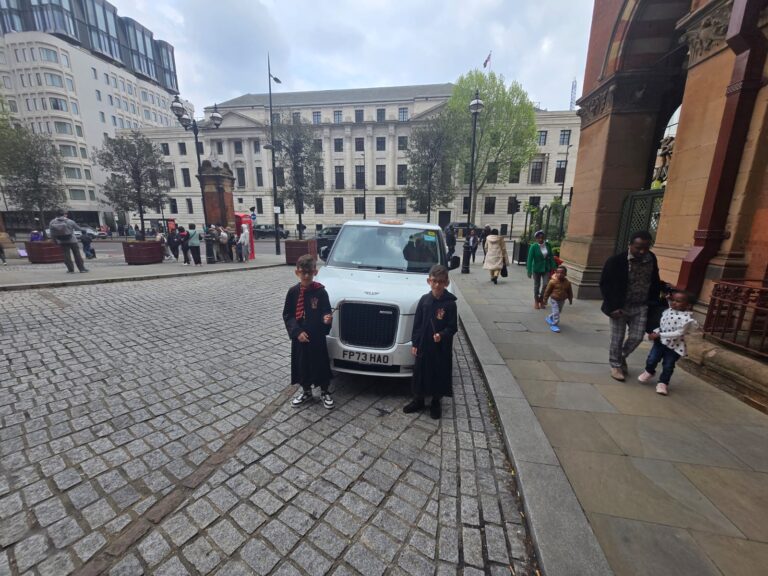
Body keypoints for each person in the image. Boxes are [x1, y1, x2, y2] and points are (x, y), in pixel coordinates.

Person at [599, 230, 662, 381]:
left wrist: (661, 291)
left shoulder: (651, 258)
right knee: (617, 338)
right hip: (620, 306)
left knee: (637, 337)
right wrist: (612, 307)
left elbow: (654, 280)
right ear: (630, 245)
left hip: (641, 305)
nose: (642, 251)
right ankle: (615, 366)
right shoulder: (616, 261)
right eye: (638, 247)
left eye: (646, 248)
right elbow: (605, 285)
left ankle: (620, 358)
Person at [403, 264, 458, 419]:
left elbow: (452, 327)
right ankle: (419, 399)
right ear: (429, 281)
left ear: (446, 283)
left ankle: (435, 401)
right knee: (420, 372)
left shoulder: (450, 304)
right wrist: (415, 343)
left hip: (440, 347)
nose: (437, 285)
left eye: (441, 282)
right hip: (424, 345)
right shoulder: (424, 301)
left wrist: (442, 334)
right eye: (434, 281)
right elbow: (417, 324)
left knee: (438, 373)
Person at [283, 254, 334, 409]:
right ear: (297, 272)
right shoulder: (293, 292)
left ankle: (325, 391)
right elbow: (288, 314)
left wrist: (326, 319)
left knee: (320, 363)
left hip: (316, 335)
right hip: (300, 337)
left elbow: (326, 311)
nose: (306, 276)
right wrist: (297, 331)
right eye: (302, 272)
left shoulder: (320, 292)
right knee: (302, 364)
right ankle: (306, 391)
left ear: (315, 272)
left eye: (309, 273)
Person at [638, 291, 699, 396]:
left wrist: (659, 335)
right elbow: (664, 322)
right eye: (673, 300)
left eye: (678, 301)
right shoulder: (668, 311)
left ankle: (663, 383)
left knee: (668, 365)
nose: (674, 303)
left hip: (674, 346)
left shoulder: (687, 319)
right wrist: (656, 332)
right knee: (652, 359)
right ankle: (649, 371)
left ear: (688, 305)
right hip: (660, 342)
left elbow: (678, 333)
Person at [48, 209, 88, 273]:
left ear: (56, 214)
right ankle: (82, 269)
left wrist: (55, 241)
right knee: (77, 254)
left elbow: (52, 233)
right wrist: (84, 230)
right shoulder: (70, 221)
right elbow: (78, 228)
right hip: (72, 240)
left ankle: (70, 270)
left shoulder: (52, 222)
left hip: (62, 241)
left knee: (66, 255)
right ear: (64, 214)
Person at [526, 230, 557, 309]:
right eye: (539, 238)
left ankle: (542, 299)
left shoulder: (548, 245)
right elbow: (530, 259)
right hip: (536, 268)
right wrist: (529, 271)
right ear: (536, 238)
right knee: (537, 285)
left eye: (542, 237)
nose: (540, 239)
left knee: (546, 284)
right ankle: (536, 301)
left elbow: (551, 257)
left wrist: (554, 267)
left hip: (546, 268)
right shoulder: (533, 246)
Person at [543, 266, 573, 333]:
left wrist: (570, 299)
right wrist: (545, 300)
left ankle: (549, 317)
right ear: (555, 273)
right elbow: (547, 291)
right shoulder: (552, 282)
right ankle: (554, 324)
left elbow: (570, 292)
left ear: (565, 274)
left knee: (558, 311)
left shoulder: (568, 283)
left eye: (562, 273)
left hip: (562, 300)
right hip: (554, 299)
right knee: (556, 313)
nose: (560, 274)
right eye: (558, 272)